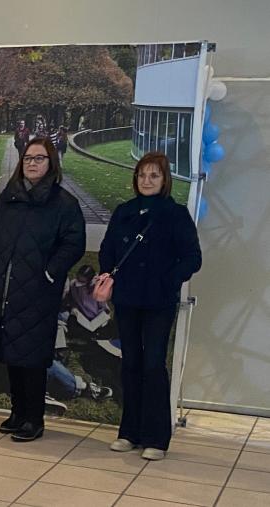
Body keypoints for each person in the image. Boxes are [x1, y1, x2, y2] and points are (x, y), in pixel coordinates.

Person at [0, 137, 85, 442]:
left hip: (38, 293)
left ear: (52, 163)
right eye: (27, 158)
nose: (32, 163)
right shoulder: (9, 198)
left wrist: (50, 272)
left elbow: (73, 244)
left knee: (33, 357)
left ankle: (33, 418)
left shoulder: (64, 203)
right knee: (11, 353)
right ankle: (17, 412)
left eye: (39, 158)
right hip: (5, 291)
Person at [99, 151, 201, 461]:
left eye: (153, 175)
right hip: (127, 299)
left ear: (164, 180)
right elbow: (107, 249)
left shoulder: (175, 214)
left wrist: (169, 279)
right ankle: (129, 432)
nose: (146, 180)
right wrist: (107, 272)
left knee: (153, 364)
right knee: (130, 363)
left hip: (158, 301)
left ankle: (156, 437)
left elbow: (192, 258)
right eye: (142, 175)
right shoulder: (124, 211)